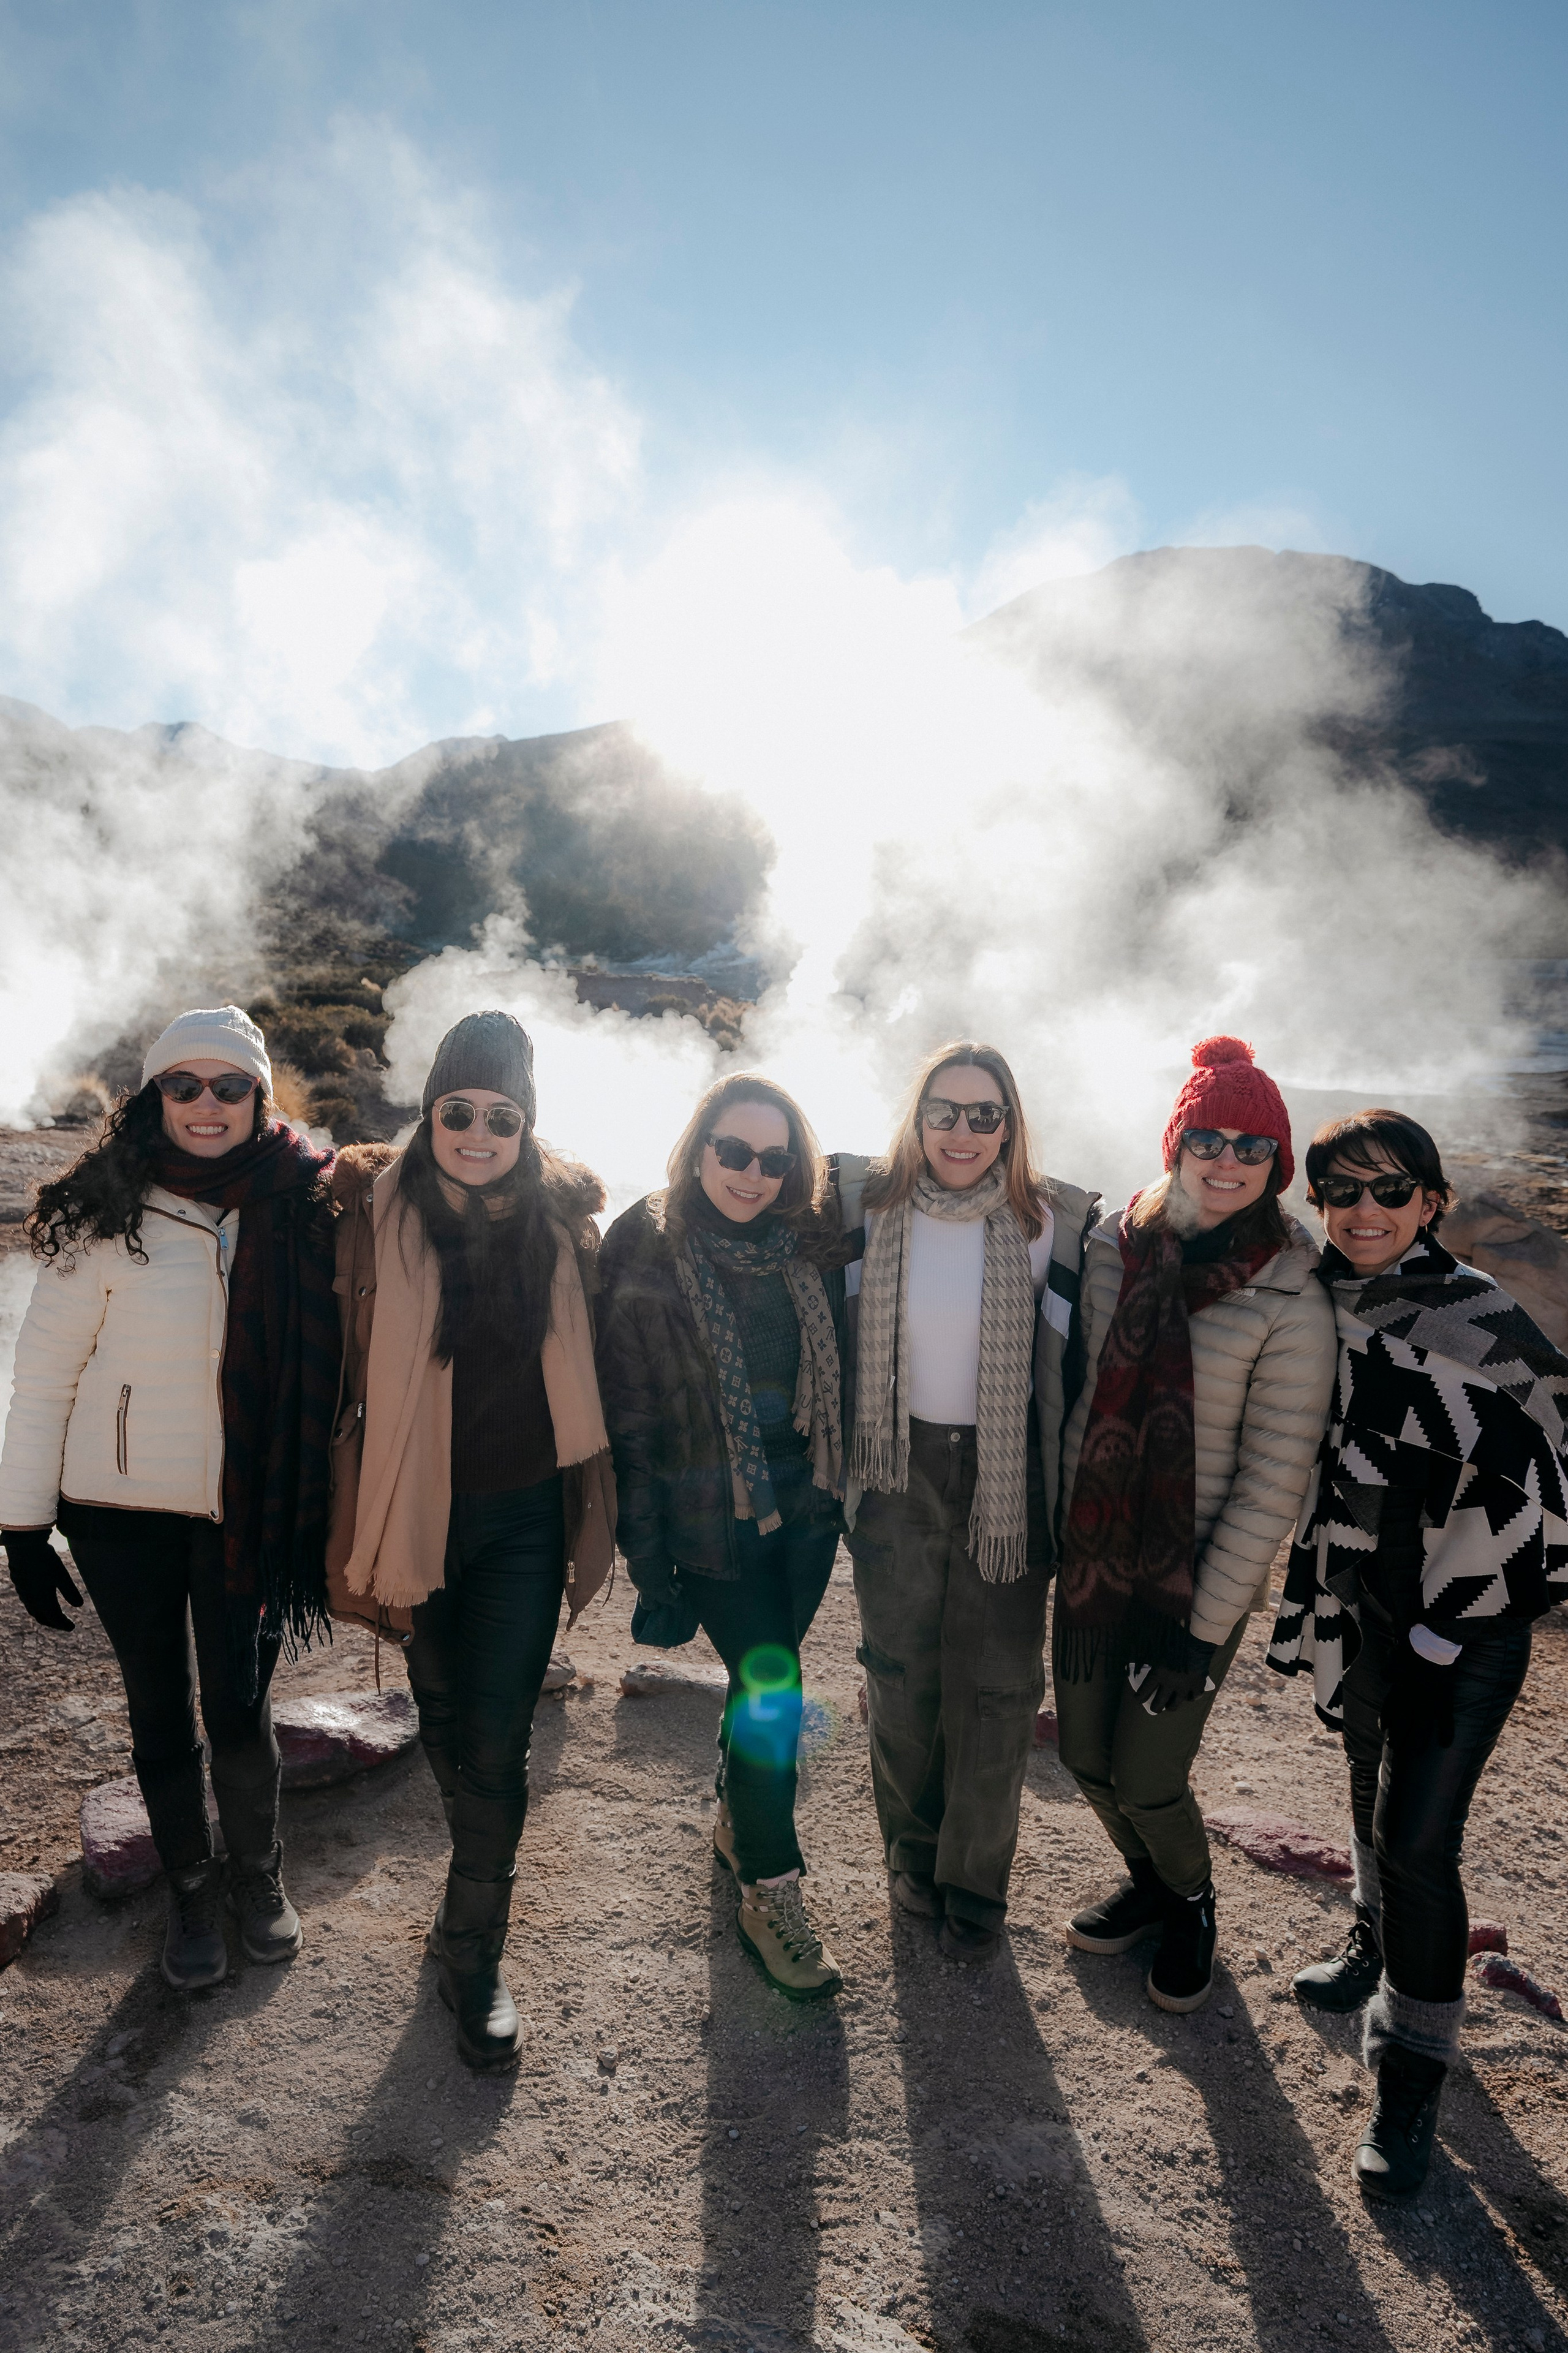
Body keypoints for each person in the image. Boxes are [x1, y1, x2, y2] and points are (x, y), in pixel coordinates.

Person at [0, 1007, 337, 1990]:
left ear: (259, 1097)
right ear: (152, 1097)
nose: (205, 1104)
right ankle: (191, 1886)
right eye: (182, 1086)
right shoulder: (100, 1208)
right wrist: (21, 1525)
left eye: (229, 1086)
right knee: (157, 1707)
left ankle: (258, 1875)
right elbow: (46, 1379)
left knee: (239, 1704)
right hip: (117, 1511)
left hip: (252, 1505)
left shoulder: (308, 1203)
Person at [1268, 1109, 1568, 2199]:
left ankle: (1414, 2064)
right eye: (1339, 1192)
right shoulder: (1326, 1299)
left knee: (1418, 1840)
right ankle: (1372, 1938)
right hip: (1367, 1603)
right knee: (1365, 1789)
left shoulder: (1478, 1319)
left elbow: (1549, 1486)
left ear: (1432, 1201)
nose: (1363, 1212)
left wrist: (1454, 1615)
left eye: (1389, 1190)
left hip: (1467, 1626)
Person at [331, 1010, 615, 2071]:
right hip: (416, 1510)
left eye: (503, 1115)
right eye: (460, 1111)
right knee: (444, 1713)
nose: (480, 1131)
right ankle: (470, 1888)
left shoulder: (566, 1225)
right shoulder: (367, 1213)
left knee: (497, 1739)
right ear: (431, 1112)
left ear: (527, 1122)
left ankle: (473, 1950)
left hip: (526, 1519)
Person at [1054, 1037, 1336, 2012]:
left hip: (1192, 1583)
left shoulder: (1291, 1289)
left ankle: (1192, 1900)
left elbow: (1270, 1482)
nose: (1227, 1161)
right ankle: (1149, 1881)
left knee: (1149, 1774)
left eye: (1252, 1147)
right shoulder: (1111, 1242)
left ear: (1276, 1166)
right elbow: (1083, 1395)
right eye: (1208, 1137)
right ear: (1177, 1141)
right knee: (1085, 1757)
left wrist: (1200, 1626)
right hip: (1096, 1555)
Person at [840, 1040, 1100, 1967]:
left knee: (997, 1688)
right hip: (895, 1466)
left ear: (1010, 1123)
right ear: (917, 1118)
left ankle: (975, 1881)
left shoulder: (1050, 1222)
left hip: (1006, 1478)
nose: (962, 1131)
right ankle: (911, 1859)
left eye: (983, 1114)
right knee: (902, 1674)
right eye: (943, 1111)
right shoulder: (865, 1206)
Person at [595, 1074, 850, 2001]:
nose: (751, 1173)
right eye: (733, 1151)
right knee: (773, 1682)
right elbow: (627, 1416)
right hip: (710, 1514)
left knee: (763, 1679)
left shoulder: (812, 1243)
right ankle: (771, 1892)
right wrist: (648, 1555)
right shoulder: (648, 1243)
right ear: (698, 1147)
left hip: (808, 1506)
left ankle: (739, 1820)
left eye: (774, 1158)